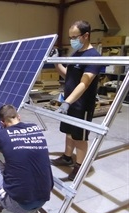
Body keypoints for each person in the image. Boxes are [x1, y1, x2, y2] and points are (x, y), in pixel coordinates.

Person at [0, 104, 53, 213]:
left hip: (17, 203)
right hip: (43, 199)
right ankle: (26, 210)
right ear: (19, 117)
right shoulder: (36, 128)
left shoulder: (0, 135)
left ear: (2, 123)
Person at [50, 20, 102, 181]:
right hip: (71, 102)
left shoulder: (94, 57)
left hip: (81, 105)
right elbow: (70, 76)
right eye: (70, 37)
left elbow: (84, 83)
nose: (72, 40)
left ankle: (79, 167)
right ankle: (67, 157)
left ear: (86, 35)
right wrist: (57, 63)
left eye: (74, 37)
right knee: (69, 132)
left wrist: (68, 102)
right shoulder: (76, 54)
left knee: (80, 136)